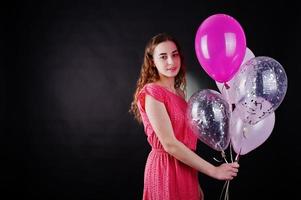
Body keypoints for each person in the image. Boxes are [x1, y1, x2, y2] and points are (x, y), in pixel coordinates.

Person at [129, 33, 239, 200]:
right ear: (152, 61)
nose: (171, 62)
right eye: (163, 57)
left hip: (186, 170)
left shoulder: (180, 94)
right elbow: (170, 144)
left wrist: (195, 183)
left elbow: (185, 144)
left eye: (174, 54)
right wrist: (214, 171)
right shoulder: (152, 92)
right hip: (165, 170)